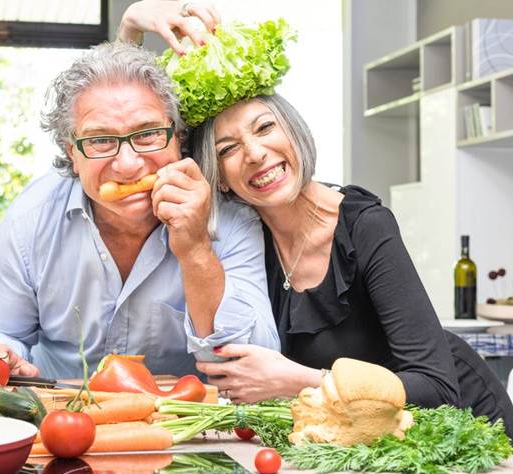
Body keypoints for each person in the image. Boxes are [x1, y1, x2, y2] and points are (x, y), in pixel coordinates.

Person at [118, 1, 513, 436]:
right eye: (228, 149)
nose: (254, 153)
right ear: (220, 179)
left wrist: (298, 380)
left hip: (464, 430)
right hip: (363, 440)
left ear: (294, 131)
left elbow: (437, 387)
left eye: (265, 128)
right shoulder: (243, 240)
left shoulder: (364, 225)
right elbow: (137, 138)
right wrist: (131, 25)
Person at [0, 41, 279, 380]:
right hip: (61, 416)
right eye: (100, 141)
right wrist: (0, 354)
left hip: (183, 424)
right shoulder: (31, 218)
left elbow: (253, 363)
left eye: (148, 134)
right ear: (72, 152)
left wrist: (196, 250)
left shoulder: (230, 218)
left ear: (177, 136)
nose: (128, 165)